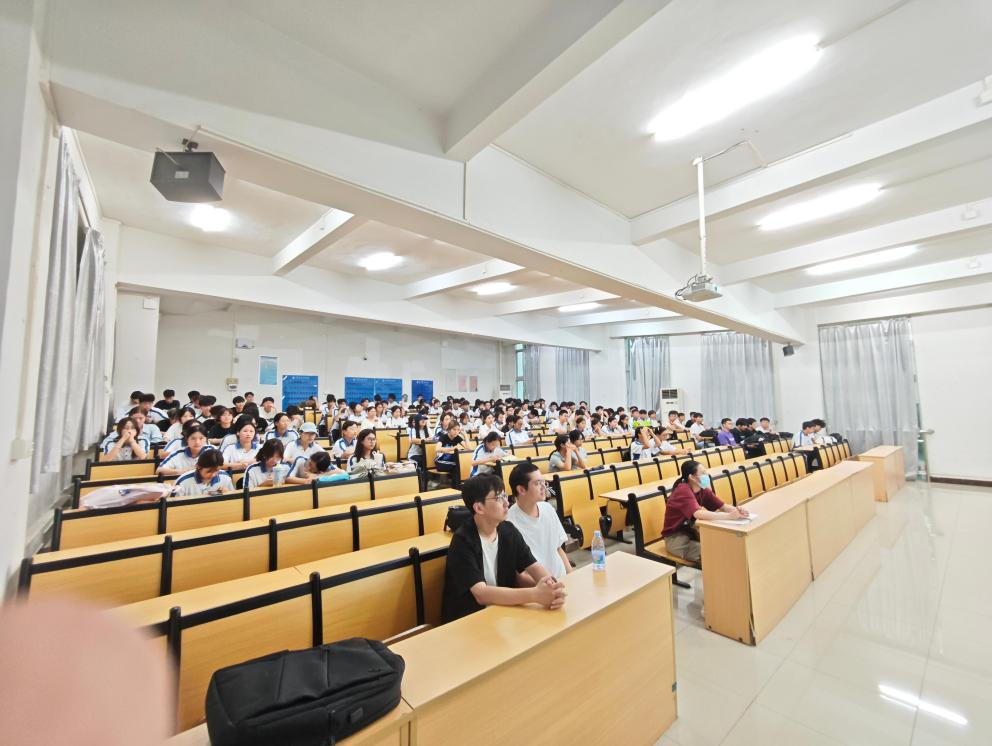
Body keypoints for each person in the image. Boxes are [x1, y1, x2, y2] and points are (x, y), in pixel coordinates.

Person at [441, 474, 566, 623]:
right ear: (479, 507)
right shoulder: (463, 540)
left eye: (505, 496)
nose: (507, 503)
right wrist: (535, 594)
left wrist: (553, 589)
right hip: (468, 620)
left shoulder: (508, 531)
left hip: (503, 613)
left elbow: (533, 566)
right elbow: (481, 594)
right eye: (499, 498)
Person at [662, 460, 747, 562]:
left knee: (724, 544)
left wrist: (737, 510)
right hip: (675, 539)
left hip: (693, 532)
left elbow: (723, 506)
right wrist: (729, 516)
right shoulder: (682, 490)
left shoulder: (702, 489)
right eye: (703, 473)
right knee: (714, 553)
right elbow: (698, 513)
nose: (707, 476)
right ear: (692, 477)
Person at [506, 462, 571, 578]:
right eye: (537, 483)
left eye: (543, 482)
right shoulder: (509, 522)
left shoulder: (548, 508)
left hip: (562, 579)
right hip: (539, 586)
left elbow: (558, 548)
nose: (544, 487)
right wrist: (547, 586)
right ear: (521, 489)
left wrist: (571, 574)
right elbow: (519, 573)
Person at [406, 414, 432, 480]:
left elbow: (432, 439)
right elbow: (413, 440)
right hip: (414, 454)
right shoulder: (413, 430)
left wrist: (424, 440)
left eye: (424, 419)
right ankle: (422, 481)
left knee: (430, 461)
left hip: (425, 454)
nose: (423, 421)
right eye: (421, 419)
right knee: (423, 461)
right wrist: (425, 440)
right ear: (417, 421)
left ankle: (428, 480)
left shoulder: (428, 429)